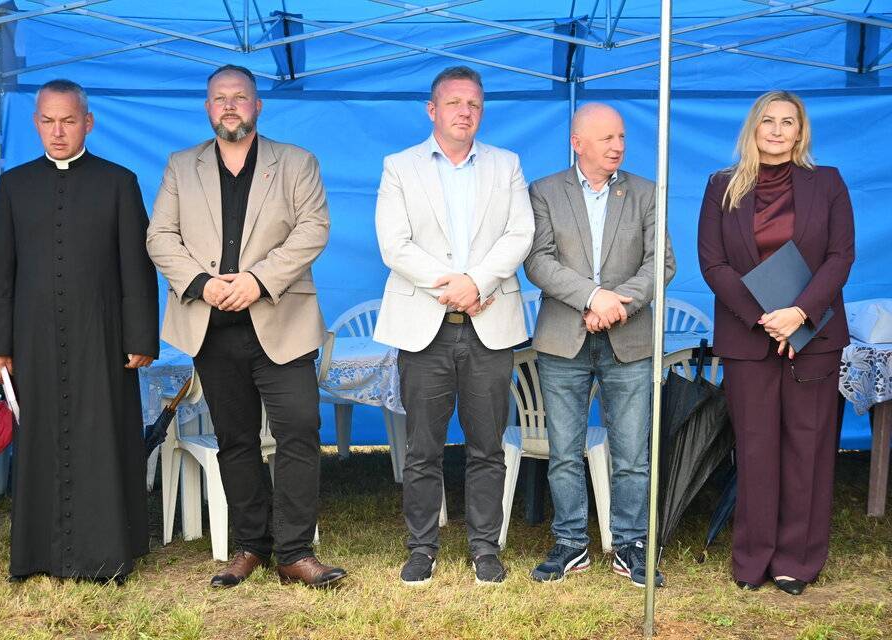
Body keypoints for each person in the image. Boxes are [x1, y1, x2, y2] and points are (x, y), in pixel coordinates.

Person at [147, 65, 345, 589]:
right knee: (235, 439)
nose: (230, 106)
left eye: (240, 97)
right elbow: (160, 236)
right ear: (207, 108)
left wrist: (258, 281)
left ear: (258, 105)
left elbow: (313, 229)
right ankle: (251, 546)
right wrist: (202, 284)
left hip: (283, 321)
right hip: (211, 325)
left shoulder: (297, 162)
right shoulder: (180, 166)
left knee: (299, 430)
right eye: (220, 98)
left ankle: (295, 552)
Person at [0, 79, 159, 583]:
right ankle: (39, 552)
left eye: (68, 121)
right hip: (33, 338)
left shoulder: (119, 182)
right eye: (47, 121)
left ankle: (107, 551)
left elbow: (136, 267)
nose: (57, 132)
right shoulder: (13, 186)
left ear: (88, 123)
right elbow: (0, 270)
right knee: (40, 438)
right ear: (36, 123)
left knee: (102, 435)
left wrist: (141, 337)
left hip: (100, 336)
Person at [374, 65, 534, 586]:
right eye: (455, 103)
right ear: (432, 110)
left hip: (489, 324)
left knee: (488, 445)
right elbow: (394, 245)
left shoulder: (507, 164)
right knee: (423, 448)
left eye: (474, 104)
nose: (466, 112)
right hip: (426, 326)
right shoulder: (399, 166)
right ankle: (422, 548)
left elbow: (520, 234)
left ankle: (485, 548)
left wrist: (478, 283)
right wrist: (454, 286)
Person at [697, 90, 854, 595]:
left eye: (789, 122)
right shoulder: (721, 186)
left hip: (815, 335)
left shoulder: (827, 182)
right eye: (769, 120)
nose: (778, 130)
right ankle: (753, 558)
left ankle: (796, 561)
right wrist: (766, 319)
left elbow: (840, 255)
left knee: (807, 447)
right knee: (756, 447)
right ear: (754, 127)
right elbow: (712, 262)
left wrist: (799, 313)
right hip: (749, 336)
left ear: (800, 131)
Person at [524, 102, 675, 587]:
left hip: (628, 338)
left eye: (622, 137)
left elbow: (661, 263)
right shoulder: (544, 191)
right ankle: (570, 543)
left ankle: (630, 544)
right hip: (562, 338)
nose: (618, 146)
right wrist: (593, 297)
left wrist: (616, 305)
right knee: (564, 452)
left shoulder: (647, 192)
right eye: (607, 137)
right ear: (577, 142)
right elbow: (538, 261)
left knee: (632, 456)